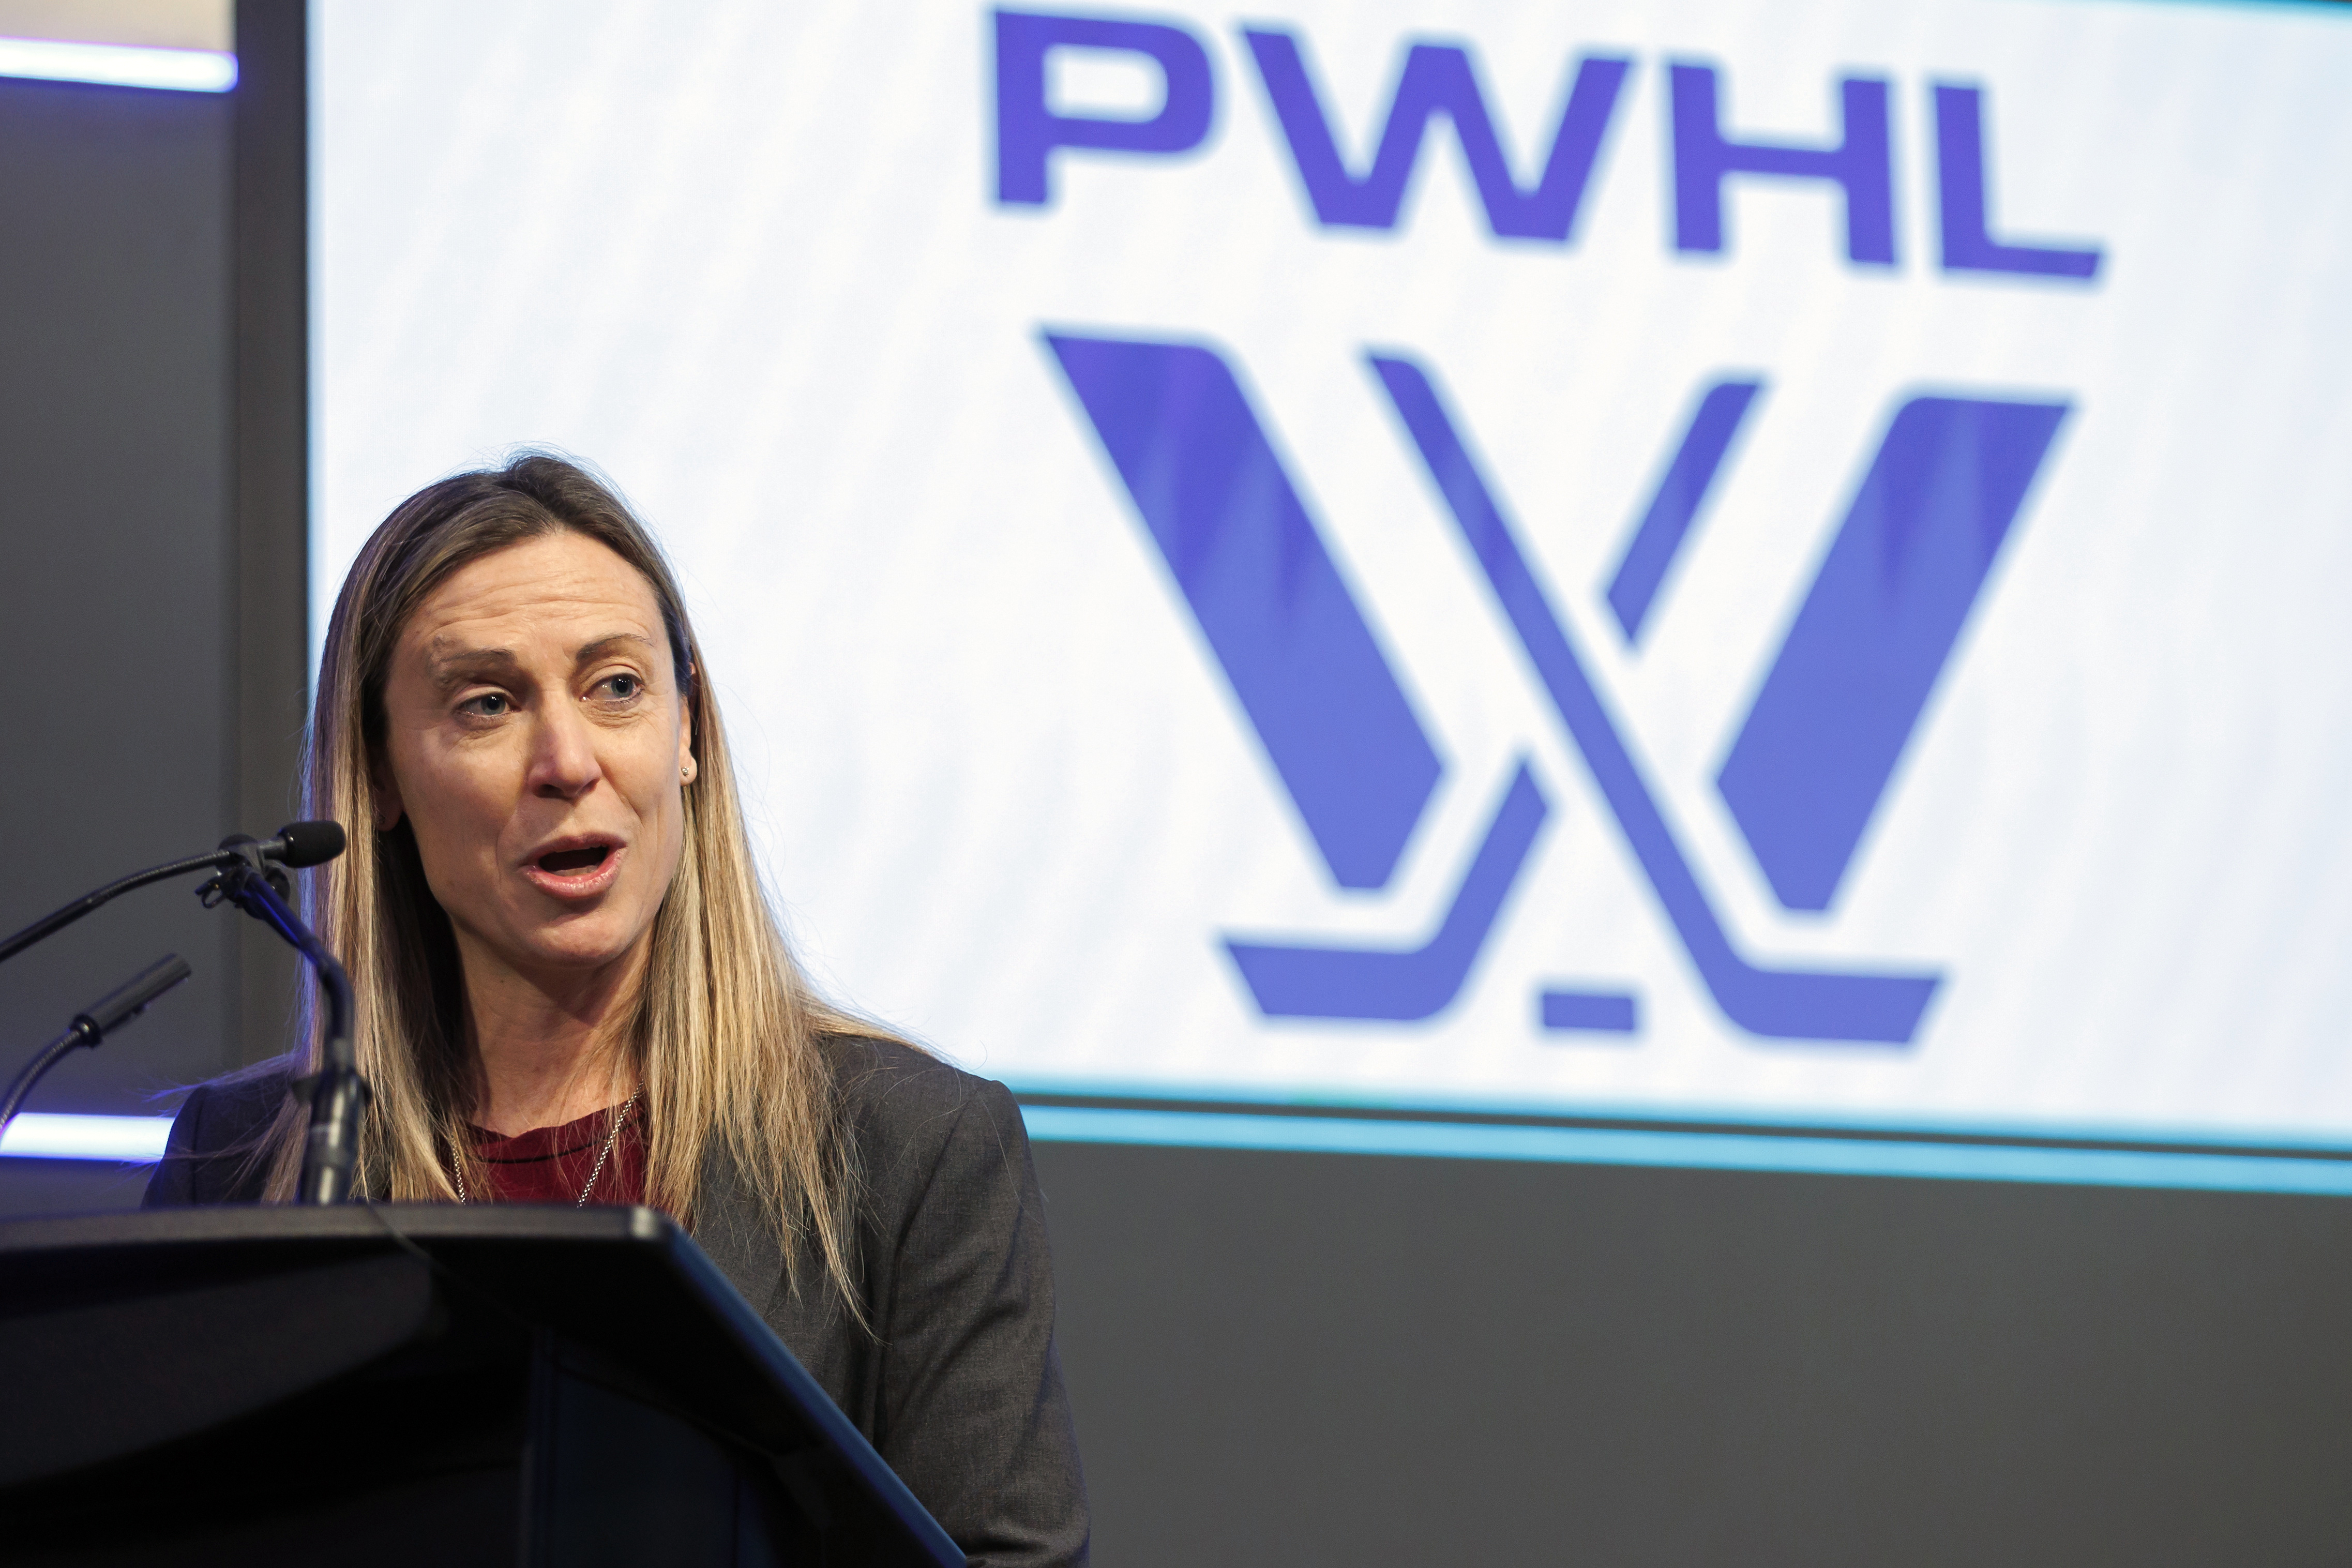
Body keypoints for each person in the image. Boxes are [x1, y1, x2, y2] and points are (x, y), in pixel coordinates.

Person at [144, 454, 1088, 1566]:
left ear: (688, 733)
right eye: (488, 703)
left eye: (617, 687)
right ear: (382, 773)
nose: (568, 759)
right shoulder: (238, 1161)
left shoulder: (911, 1152)